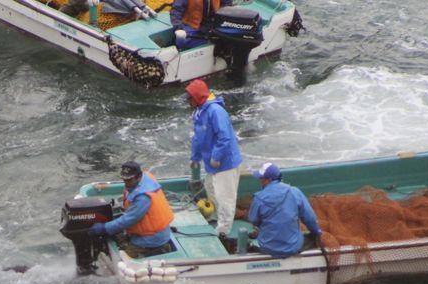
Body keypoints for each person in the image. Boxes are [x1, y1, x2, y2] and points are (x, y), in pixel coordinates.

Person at [186, 79, 242, 248]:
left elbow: (224, 137)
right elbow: (197, 137)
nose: (187, 101)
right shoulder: (199, 112)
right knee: (210, 188)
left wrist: (217, 157)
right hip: (212, 164)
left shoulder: (216, 111)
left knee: (225, 197)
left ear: (197, 97)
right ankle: (218, 218)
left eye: (189, 97)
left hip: (225, 163)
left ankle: (224, 229)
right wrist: (195, 158)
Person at [88, 161, 175, 258]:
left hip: (151, 239)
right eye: (124, 179)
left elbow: (128, 220)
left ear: (138, 176)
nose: (126, 183)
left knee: (122, 258)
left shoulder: (143, 197)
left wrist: (104, 228)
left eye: (129, 180)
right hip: (150, 233)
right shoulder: (144, 178)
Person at [246, 162, 322, 258]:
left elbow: (254, 220)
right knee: (311, 237)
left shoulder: (259, 198)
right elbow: (310, 219)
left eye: (262, 178)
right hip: (293, 247)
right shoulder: (295, 192)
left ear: (269, 179)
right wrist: (317, 233)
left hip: (268, 248)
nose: (260, 180)